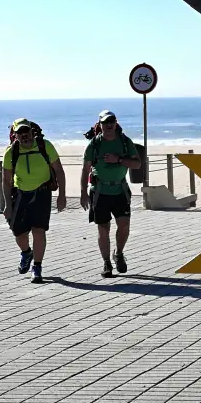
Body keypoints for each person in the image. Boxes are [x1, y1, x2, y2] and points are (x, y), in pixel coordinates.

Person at [0, 118, 67, 283]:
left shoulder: (45, 146)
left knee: (39, 230)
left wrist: (62, 195)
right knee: (19, 232)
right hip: (21, 194)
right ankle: (26, 252)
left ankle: (37, 267)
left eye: (27, 132)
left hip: (42, 193)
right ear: (15, 135)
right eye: (20, 133)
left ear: (32, 131)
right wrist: (7, 204)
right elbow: (6, 181)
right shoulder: (11, 152)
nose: (25, 136)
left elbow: (59, 170)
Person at [80, 110, 141, 278]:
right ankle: (106, 263)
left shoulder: (124, 141)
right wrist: (83, 194)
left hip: (120, 190)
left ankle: (119, 253)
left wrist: (119, 159)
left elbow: (137, 164)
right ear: (100, 124)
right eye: (105, 122)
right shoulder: (94, 144)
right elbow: (85, 170)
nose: (108, 125)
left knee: (124, 226)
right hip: (100, 192)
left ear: (116, 123)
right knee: (103, 229)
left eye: (111, 121)